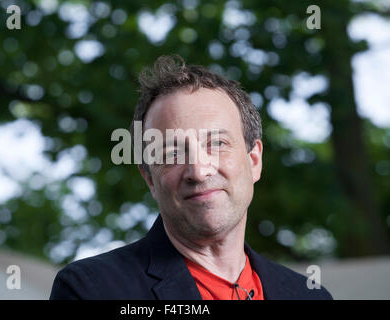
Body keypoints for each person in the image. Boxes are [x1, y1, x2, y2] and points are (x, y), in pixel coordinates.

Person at [50, 55, 332, 300]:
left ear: (254, 161)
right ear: (149, 178)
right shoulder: (91, 291)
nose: (198, 171)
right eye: (172, 153)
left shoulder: (309, 294)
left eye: (217, 144)